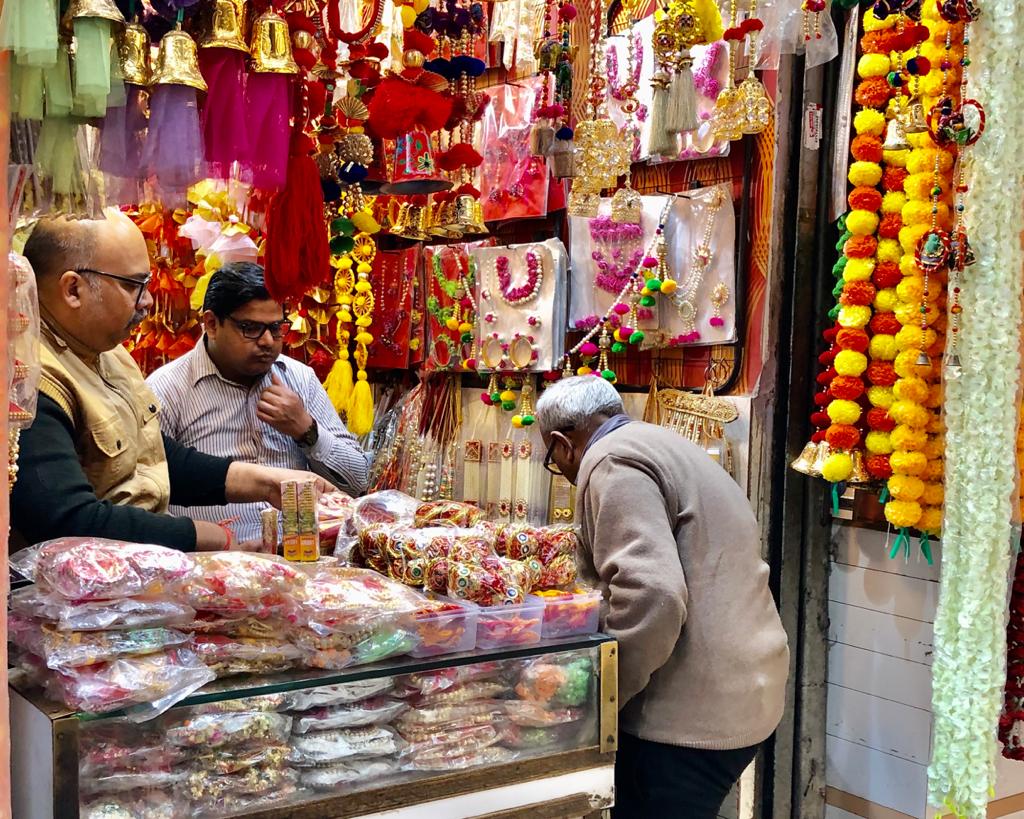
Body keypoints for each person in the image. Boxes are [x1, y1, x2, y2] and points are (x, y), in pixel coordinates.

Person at [534, 376, 790, 819]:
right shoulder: (660, 442)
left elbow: (653, 593)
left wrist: (603, 696)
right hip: (748, 690)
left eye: (554, 460)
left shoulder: (611, 462)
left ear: (561, 444)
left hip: (686, 716)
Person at [10, 211, 330, 552]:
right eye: (133, 286)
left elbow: (155, 457)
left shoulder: (107, 353)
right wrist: (207, 539)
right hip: (75, 593)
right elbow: (65, 520)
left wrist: (265, 483)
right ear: (73, 289)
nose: (147, 301)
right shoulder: (29, 378)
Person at [147, 262, 369, 544]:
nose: (268, 342)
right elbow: (146, 494)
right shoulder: (167, 390)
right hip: (215, 567)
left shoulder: (298, 378)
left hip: (302, 562)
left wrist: (307, 431)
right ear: (212, 324)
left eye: (276, 328)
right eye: (250, 328)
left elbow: (358, 481)